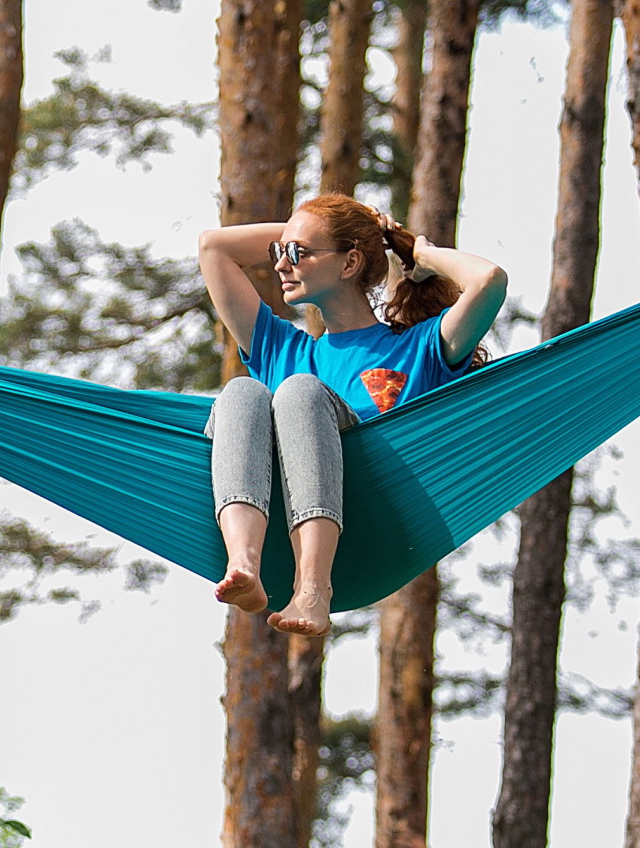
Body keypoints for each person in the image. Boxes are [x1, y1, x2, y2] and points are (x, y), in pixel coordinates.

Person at [197, 192, 507, 637]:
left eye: (297, 254)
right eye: (282, 252)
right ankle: (245, 562)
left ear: (349, 264)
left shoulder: (417, 348)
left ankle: (313, 587)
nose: (281, 265)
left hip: (377, 509)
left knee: (299, 391)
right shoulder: (282, 349)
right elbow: (213, 247)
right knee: (242, 391)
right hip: (280, 515)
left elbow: (490, 281)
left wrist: (418, 252)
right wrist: (312, 231)